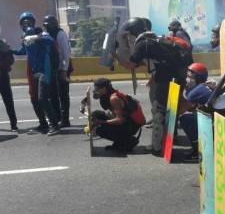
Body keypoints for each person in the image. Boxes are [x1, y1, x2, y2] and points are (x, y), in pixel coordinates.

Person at [115, 17, 191, 156]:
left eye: (129, 36)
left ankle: (157, 147)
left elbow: (131, 65)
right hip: (178, 76)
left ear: (133, 33)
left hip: (166, 79)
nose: (129, 40)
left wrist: (115, 56)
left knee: (159, 110)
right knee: (171, 109)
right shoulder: (153, 40)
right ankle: (171, 139)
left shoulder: (142, 44)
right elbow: (157, 62)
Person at [85, 78, 142, 153]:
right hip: (126, 122)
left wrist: (101, 122)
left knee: (100, 130)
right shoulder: (106, 94)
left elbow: (120, 120)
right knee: (96, 114)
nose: (95, 90)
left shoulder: (114, 98)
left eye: (97, 88)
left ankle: (129, 141)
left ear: (104, 88)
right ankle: (119, 142)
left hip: (130, 126)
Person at [178, 62, 214, 160]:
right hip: (218, 119)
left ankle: (197, 150)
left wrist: (180, 94)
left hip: (213, 122)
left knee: (185, 119)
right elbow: (192, 107)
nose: (187, 79)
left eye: (190, 77)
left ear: (197, 78)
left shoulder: (196, 91)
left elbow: (181, 110)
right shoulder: (206, 85)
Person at [44, 15, 73, 128]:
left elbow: (66, 54)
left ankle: (65, 120)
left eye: (48, 25)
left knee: (63, 94)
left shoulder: (60, 34)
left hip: (62, 68)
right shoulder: (48, 35)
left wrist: (64, 70)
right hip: (54, 69)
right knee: (53, 94)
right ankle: (58, 117)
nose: (47, 28)